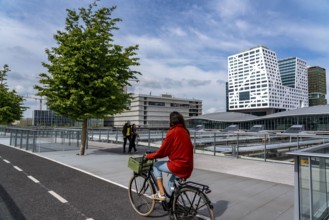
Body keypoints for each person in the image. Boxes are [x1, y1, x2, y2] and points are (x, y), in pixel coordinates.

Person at [145, 111, 194, 201]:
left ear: (171, 121)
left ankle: (161, 193)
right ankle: (175, 204)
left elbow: (162, 151)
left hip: (178, 165)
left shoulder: (172, 132)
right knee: (171, 183)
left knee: (156, 166)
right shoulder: (185, 131)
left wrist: (149, 156)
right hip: (188, 166)